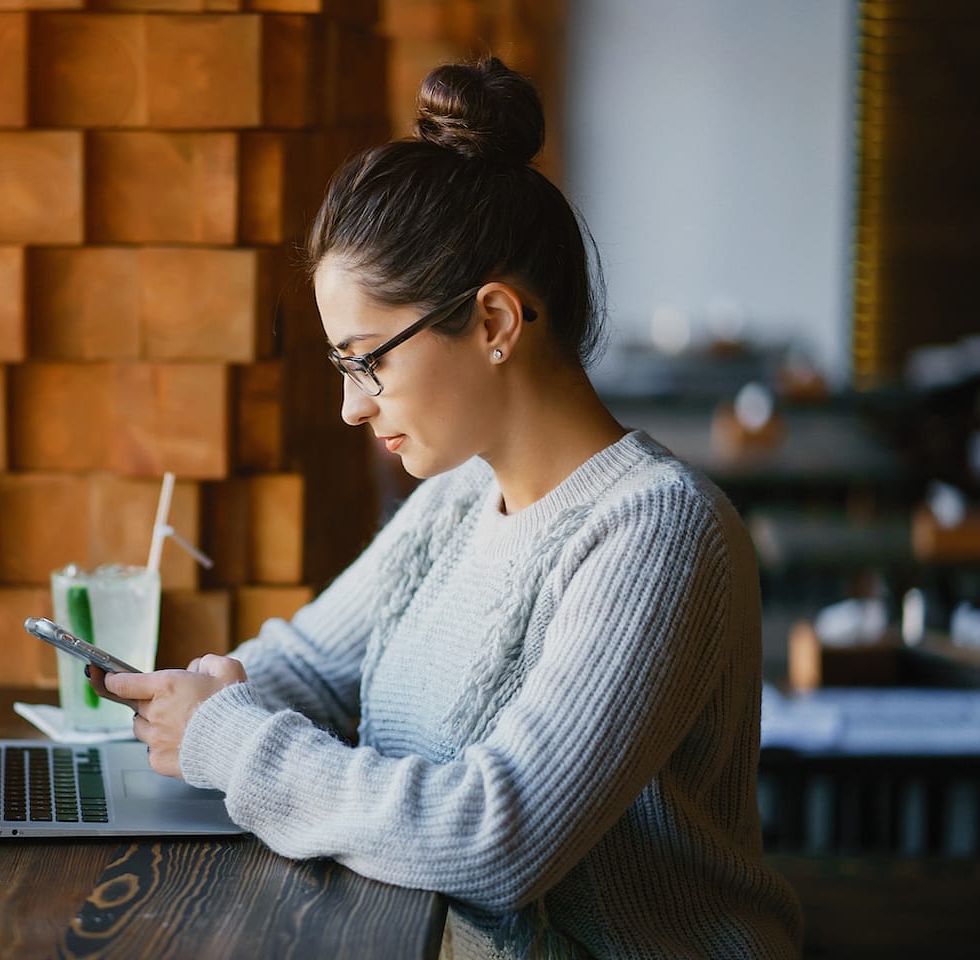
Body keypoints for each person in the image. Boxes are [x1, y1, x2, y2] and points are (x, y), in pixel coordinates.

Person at [93, 56, 804, 959]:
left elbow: (495, 840)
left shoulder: (659, 534)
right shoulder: (462, 495)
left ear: (497, 322)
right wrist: (201, 699)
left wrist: (232, 744)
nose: (353, 406)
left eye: (368, 361)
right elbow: (310, 668)